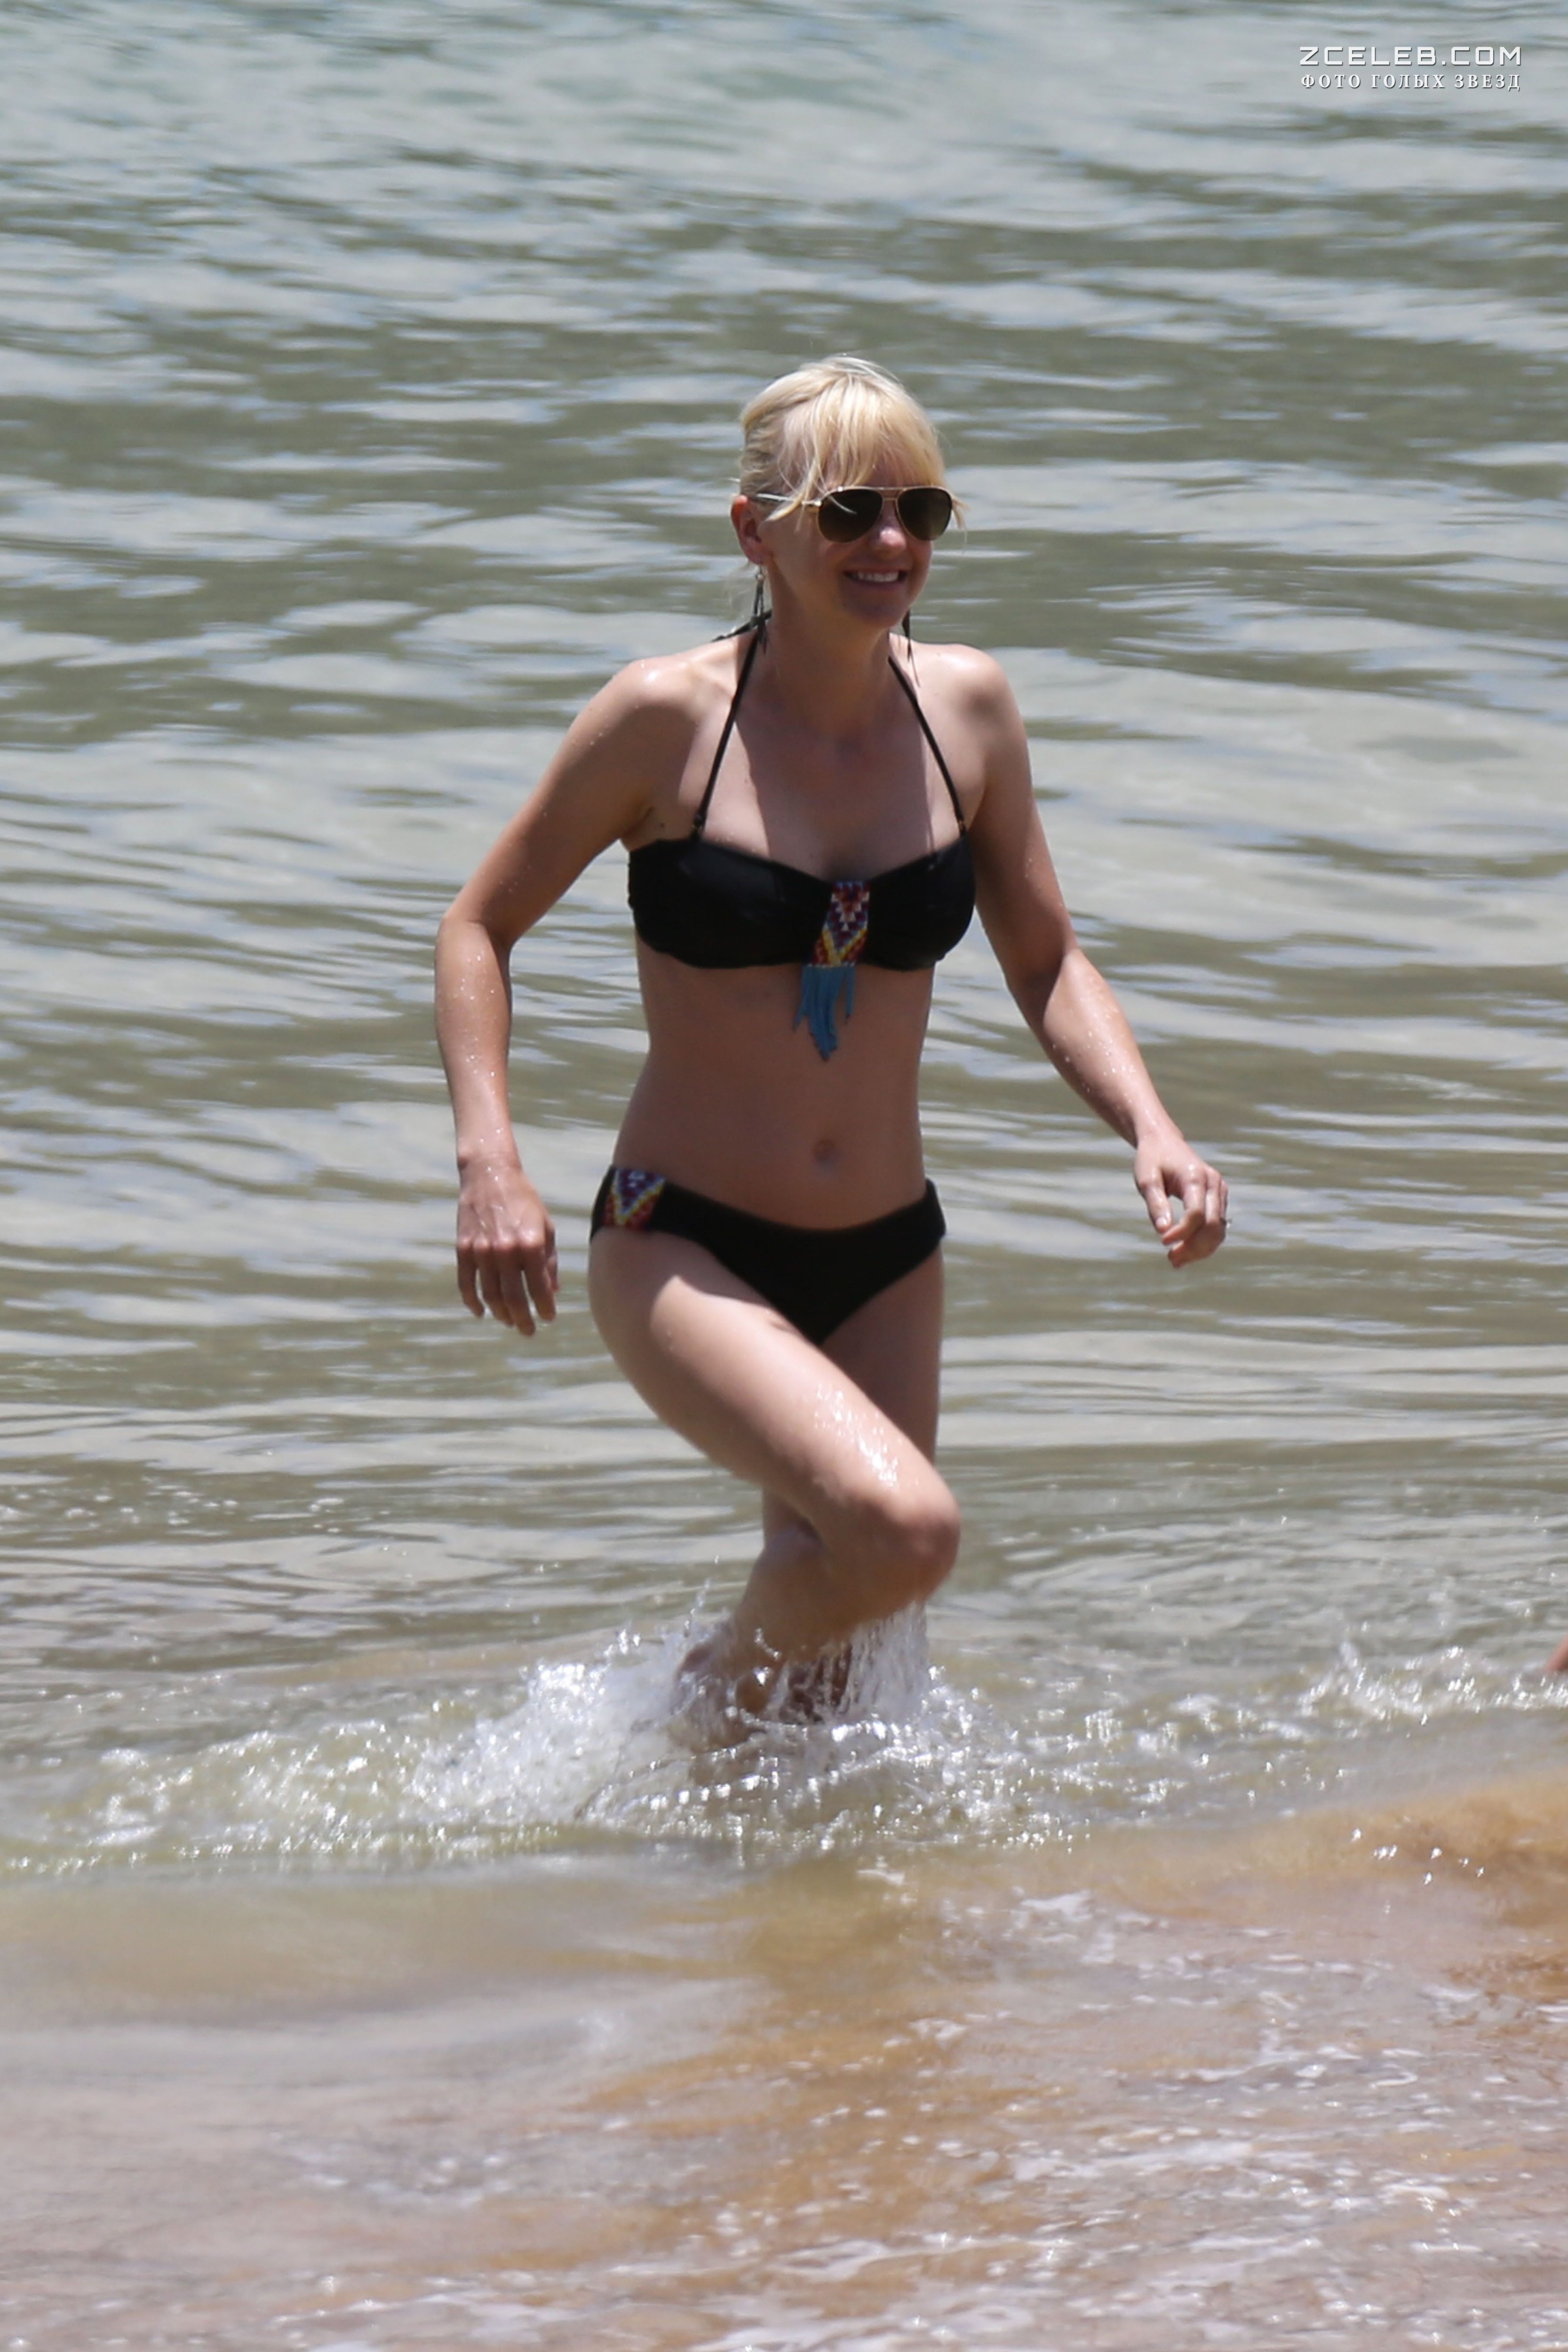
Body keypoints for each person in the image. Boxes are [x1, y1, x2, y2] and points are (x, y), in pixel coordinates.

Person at [435, 356, 1228, 1735]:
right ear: (757, 530)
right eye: (851, 510)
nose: (892, 542)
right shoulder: (664, 719)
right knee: (905, 1534)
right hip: (685, 1239)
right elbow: (476, 930)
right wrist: (489, 1162)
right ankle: (678, 1714)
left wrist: (1152, 1128)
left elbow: (1047, 960)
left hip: (887, 1256)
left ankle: (711, 1854)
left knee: (849, 1681)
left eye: (922, 510)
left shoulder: (968, 710)